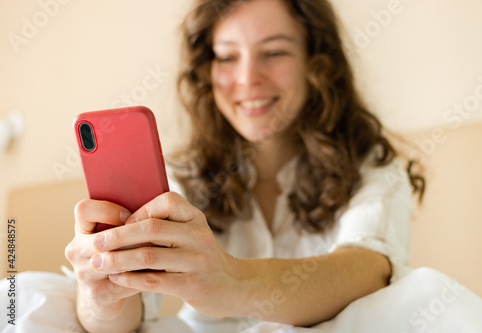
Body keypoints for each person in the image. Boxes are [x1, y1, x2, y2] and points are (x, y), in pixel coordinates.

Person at [64, 0, 426, 332]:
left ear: (316, 64)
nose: (247, 78)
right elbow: (128, 315)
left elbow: (369, 269)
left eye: (274, 52)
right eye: (226, 57)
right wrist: (100, 296)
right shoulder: (180, 185)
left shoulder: (374, 169)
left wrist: (232, 281)